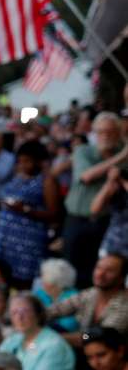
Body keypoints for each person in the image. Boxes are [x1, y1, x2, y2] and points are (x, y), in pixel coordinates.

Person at [0, 140, 60, 288]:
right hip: (5, 237)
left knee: (21, 282)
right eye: (20, 161)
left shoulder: (47, 181)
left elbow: (54, 214)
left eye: (27, 161)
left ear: (38, 161)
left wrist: (26, 210)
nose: (23, 165)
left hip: (27, 241)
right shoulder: (18, 176)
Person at [65, 112, 124, 285]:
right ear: (94, 132)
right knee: (71, 268)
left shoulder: (122, 152)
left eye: (110, 131)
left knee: (100, 272)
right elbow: (86, 176)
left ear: (118, 133)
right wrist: (121, 158)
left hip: (106, 221)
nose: (105, 136)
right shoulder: (83, 151)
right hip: (78, 219)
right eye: (101, 131)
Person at [0, 292, 76, 370]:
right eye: (14, 313)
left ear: (38, 314)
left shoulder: (54, 346)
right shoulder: (11, 341)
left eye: (25, 311)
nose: (19, 317)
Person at [44, 253, 128, 346]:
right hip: (86, 345)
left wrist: (54, 338)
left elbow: (96, 336)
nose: (100, 274)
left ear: (122, 278)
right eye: (98, 268)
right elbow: (57, 309)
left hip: (107, 353)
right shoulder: (90, 293)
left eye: (109, 271)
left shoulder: (125, 305)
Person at [35, 258, 80, 334]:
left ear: (54, 281)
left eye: (44, 277)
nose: (41, 280)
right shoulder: (40, 293)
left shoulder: (75, 296)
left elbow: (70, 325)